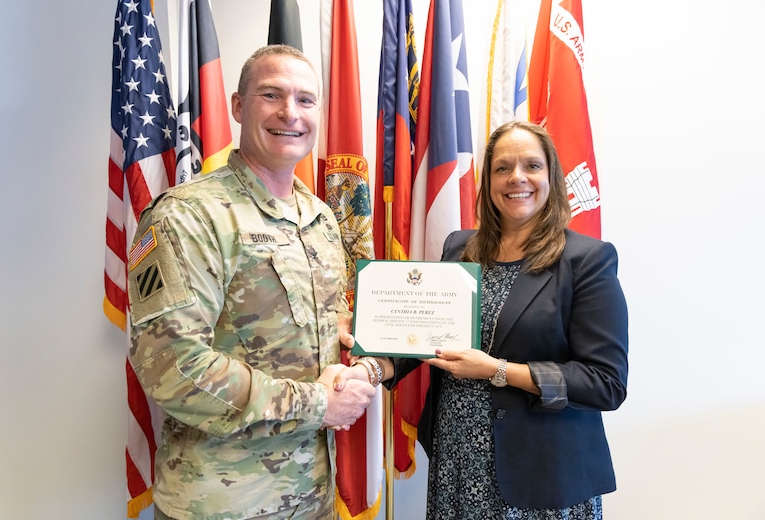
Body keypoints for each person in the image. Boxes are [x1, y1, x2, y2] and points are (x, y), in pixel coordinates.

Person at [127, 44, 376, 520]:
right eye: (271, 95)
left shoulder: (320, 217)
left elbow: (319, 327)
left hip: (312, 497)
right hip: (224, 503)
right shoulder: (188, 216)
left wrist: (365, 351)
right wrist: (318, 402)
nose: (291, 113)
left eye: (306, 100)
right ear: (238, 106)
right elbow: (173, 367)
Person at [337, 120, 628, 519]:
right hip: (456, 461)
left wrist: (498, 370)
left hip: (541, 475)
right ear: (488, 180)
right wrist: (377, 361)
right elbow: (428, 334)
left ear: (552, 176)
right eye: (503, 168)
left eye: (532, 166)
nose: (517, 178)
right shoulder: (461, 247)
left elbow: (605, 383)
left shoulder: (587, 260)